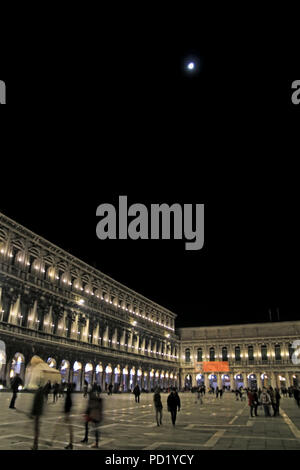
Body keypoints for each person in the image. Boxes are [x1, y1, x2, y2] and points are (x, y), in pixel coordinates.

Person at [30, 385, 46, 450]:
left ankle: (35, 445)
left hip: (37, 413)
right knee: (36, 430)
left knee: (36, 430)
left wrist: (32, 413)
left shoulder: (38, 393)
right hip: (39, 413)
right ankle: (35, 444)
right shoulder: (41, 393)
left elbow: (35, 404)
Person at [64, 383, 74, 449]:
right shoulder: (69, 393)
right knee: (69, 428)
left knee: (70, 428)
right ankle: (70, 443)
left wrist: (66, 413)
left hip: (67, 412)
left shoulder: (68, 394)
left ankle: (70, 443)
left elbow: (68, 403)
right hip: (67, 411)